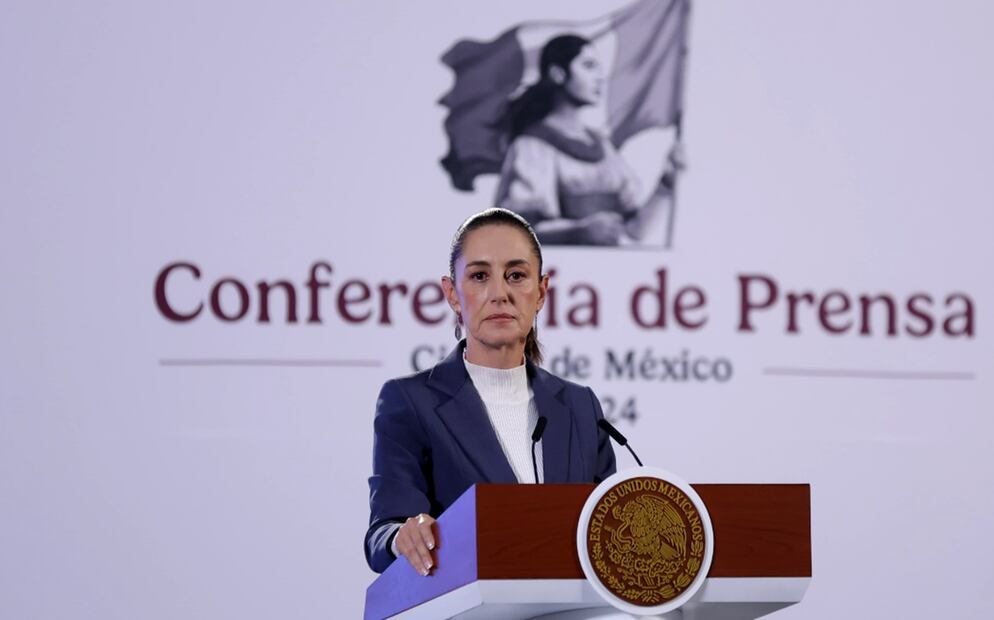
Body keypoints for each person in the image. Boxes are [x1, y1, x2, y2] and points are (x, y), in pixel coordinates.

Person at [364, 208, 617, 575]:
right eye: (480, 276)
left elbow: (609, 529)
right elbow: (383, 533)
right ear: (451, 294)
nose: (500, 294)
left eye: (516, 275)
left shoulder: (580, 407)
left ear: (542, 291)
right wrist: (400, 536)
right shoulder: (409, 402)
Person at [495, 34, 676, 246]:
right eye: (588, 66)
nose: (599, 77)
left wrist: (666, 183)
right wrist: (578, 232)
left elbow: (635, 232)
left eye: (598, 68)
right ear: (558, 74)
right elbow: (517, 231)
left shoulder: (603, 147)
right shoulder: (532, 146)